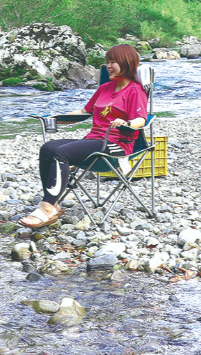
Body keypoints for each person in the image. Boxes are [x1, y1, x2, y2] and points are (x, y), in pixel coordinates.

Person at [18, 44, 148, 229]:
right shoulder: (105, 88)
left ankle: (46, 208)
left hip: (116, 145)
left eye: (113, 62)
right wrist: (55, 118)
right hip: (94, 141)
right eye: (108, 62)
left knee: (62, 153)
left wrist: (126, 123)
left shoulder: (135, 90)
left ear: (126, 63)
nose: (108, 66)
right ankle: (54, 204)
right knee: (48, 148)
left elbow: (141, 119)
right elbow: (83, 112)